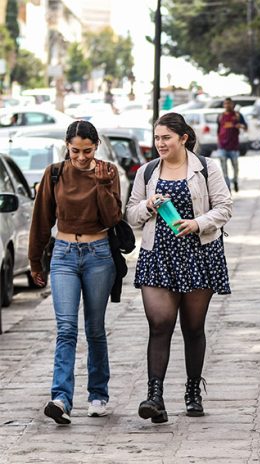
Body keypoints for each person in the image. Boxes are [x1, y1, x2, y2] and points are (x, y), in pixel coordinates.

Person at [126, 112, 233, 423]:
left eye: (166, 138)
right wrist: (147, 205)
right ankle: (154, 397)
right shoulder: (146, 172)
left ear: (183, 138)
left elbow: (224, 207)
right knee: (159, 324)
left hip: (199, 254)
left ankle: (192, 391)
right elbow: (131, 214)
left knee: (193, 327)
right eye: (157, 138)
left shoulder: (206, 168)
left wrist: (197, 223)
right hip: (157, 255)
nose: (160, 143)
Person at [29, 120, 122, 424]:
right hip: (64, 256)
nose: (82, 157)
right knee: (66, 329)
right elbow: (41, 220)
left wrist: (103, 185)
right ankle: (61, 398)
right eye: (75, 151)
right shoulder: (54, 173)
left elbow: (111, 218)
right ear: (67, 147)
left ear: (96, 147)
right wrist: (34, 261)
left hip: (99, 256)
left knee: (95, 329)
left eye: (88, 150)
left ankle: (98, 395)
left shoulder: (107, 171)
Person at [216, 97, 247, 192]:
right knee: (224, 169)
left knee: (235, 167)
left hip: (233, 146)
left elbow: (245, 126)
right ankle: (227, 187)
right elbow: (218, 130)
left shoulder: (237, 115)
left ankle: (235, 181)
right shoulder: (220, 116)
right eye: (225, 103)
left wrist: (240, 126)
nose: (227, 105)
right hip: (222, 146)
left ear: (232, 104)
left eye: (229, 103)